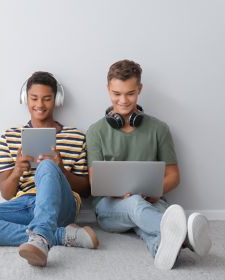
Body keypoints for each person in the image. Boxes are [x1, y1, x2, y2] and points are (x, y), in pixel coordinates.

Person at [0, 71, 99, 267]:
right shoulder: (10, 136)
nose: (40, 105)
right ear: (26, 99)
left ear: (56, 100)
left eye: (47, 99)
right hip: (25, 204)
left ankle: (41, 238)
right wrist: (17, 170)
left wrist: (61, 170)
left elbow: (86, 190)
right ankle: (58, 235)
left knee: (47, 165)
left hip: (62, 206)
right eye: (34, 98)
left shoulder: (75, 136)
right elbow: (6, 194)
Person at [86, 59, 211, 270]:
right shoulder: (95, 131)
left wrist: (156, 192)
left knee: (149, 224)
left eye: (130, 93)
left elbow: (173, 175)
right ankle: (188, 237)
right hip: (109, 207)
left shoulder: (159, 129)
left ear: (140, 89)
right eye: (117, 94)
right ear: (108, 90)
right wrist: (118, 193)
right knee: (136, 204)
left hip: (152, 201)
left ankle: (162, 248)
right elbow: (94, 180)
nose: (123, 100)